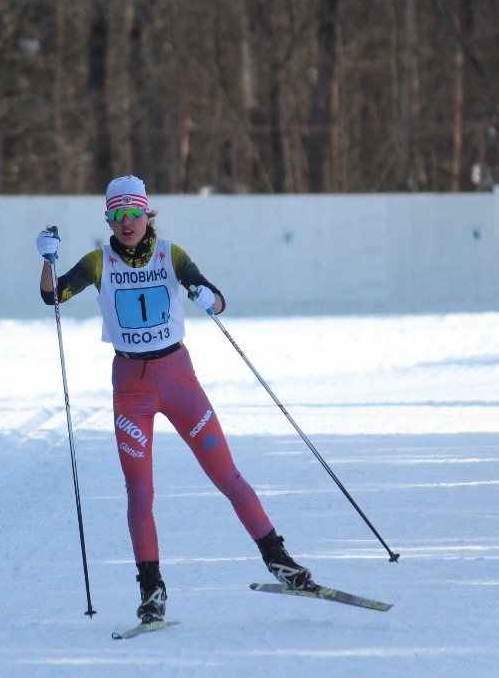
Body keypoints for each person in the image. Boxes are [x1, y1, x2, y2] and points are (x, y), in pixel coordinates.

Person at [36, 175, 317, 623]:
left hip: (177, 378)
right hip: (131, 386)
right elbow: (53, 296)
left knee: (227, 475)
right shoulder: (98, 261)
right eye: (117, 215)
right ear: (108, 218)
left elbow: (216, 299)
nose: (127, 223)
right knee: (140, 492)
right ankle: (152, 592)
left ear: (147, 215)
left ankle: (280, 563)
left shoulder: (171, 254)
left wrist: (210, 298)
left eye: (134, 214)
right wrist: (49, 260)